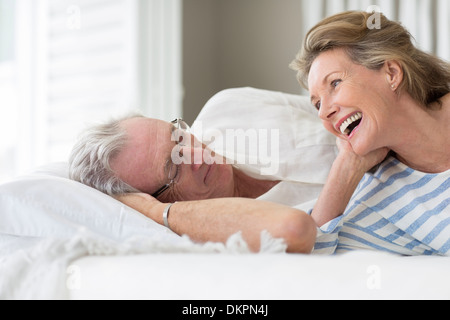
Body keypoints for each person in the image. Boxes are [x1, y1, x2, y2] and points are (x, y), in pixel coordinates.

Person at [69, 88, 338, 253]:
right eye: (173, 168)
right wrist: (152, 213)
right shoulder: (221, 242)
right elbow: (298, 230)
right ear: (147, 201)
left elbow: (334, 106)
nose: (198, 155)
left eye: (178, 136)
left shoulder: (228, 105)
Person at [290, 11, 450, 255]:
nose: (323, 113)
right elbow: (308, 257)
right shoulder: (381, 199)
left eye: (334, 83)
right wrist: (347, 167)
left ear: (392, 73)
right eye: (317, 104)